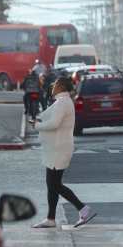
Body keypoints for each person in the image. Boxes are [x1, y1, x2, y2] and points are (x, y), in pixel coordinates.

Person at [32, 77, 97, 229]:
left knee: (54, 184)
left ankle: (82, 208)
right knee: (52, 184)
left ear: (61, 86)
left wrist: (37, 126)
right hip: (58, 147)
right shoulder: (64, 101)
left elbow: (54, 123)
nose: (52, 87)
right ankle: (51, 218)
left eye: (55, 84)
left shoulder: (62, 103)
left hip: (58, 148)